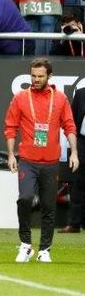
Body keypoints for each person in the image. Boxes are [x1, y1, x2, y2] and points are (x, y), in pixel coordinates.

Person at [5, 58, 79, 262]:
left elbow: (70, 126)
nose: (36, 80)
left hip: (51, 161)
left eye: (40, 76)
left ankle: (44, 249)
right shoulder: (21, 97)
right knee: (25, 198)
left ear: (49, 76)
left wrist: (74, 152)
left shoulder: (61, 98)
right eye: (33, 76)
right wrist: (11, 155)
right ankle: (25, 244)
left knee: (48, 206)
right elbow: (10, 127)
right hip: (27, 160)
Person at [60, 86, 85, 233]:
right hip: (82, 143)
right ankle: (74, 223)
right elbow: (72, 121)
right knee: (77, 184)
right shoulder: (81, 93)